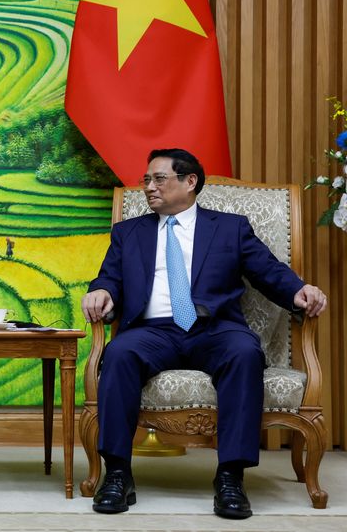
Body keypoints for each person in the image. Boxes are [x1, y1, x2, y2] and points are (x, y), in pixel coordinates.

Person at [81, 148, 327, 519]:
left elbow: (267, 270)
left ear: (190, 181)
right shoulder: (128, 232)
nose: (148, 187)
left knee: (244, 353)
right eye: (146, 180)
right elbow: (109, 277)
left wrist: (298, 291)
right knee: (118, 354)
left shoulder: (230, 227)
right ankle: (117, 473)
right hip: (153, 330)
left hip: (215, 329)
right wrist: (101, 290)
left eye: (158, 179)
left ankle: (230, 476)